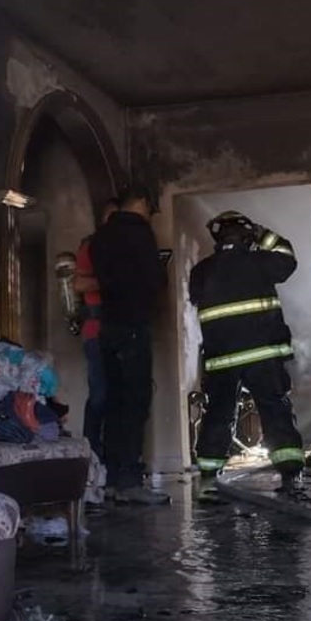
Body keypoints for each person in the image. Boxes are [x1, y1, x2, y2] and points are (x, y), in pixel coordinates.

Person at [189, 211, 305, 491]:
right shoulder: (260, 261)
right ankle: (290, 470)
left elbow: (195, 298)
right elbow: (288, 260)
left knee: (218, 411)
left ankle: (208, 469)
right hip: (263, 354)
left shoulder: (201, 271)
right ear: (247, 236)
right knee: (274, 408)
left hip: (221, 359)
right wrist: (263, 234)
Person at [90, 186, 169, 505]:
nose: (150, 215)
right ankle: (129, 482)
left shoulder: (101, 237)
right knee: (135, 402)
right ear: (142, 203)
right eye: (150, 209)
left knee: (114, 403)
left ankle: (108, 479)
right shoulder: (139, 233)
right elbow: (155, 280)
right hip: (132, 326)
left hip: (107, 327)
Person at [72, 198, 119, 463]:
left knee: (122, 399)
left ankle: (115, 463)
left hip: (124, 329)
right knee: (100, 395)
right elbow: (80, 283)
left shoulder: (128, 249)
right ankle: (91, 459)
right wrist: (117, 281)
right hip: (97, 330)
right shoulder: (91, 246)